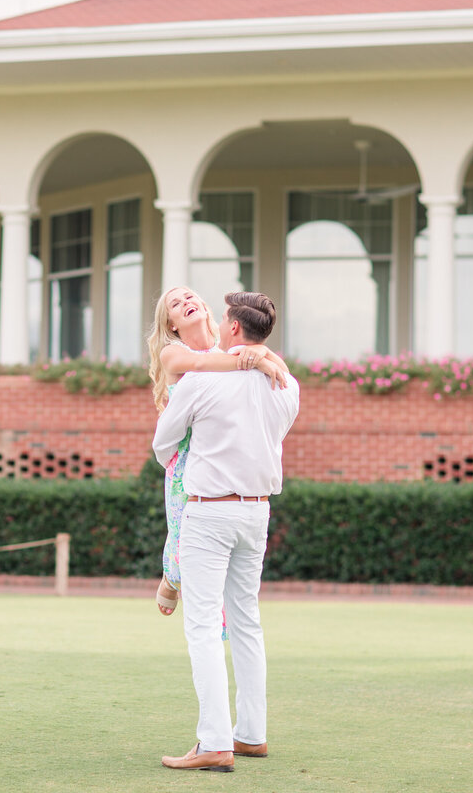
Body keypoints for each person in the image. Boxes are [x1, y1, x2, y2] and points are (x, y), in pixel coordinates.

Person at [152, 291, 300, 773]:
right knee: (247, 622)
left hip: (209, 512)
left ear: (232, 328)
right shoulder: (286, 384)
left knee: (201, 628)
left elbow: (163, 442)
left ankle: (214, 740)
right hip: (257, 513)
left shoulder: (199, 381)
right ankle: (251, 734)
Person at [145, 286, 288, 617]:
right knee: (185, 532)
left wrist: (261, 355)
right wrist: (255, 360)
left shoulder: (227, 347)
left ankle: (205, 607)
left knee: (220, 563)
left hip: (226, 449)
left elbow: (275, 360)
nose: (186, 303)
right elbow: (200, 364)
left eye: (190, 297)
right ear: (172, 324)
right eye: (176, 305)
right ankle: (172, 576)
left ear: (206, 309)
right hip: (186, 457)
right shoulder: (173, 353)